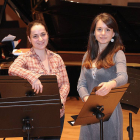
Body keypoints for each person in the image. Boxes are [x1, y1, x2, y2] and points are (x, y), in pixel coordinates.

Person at [8, 20, 70, 140]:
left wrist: (60, 100)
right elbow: (12, 69)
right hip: (34, 117)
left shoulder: (57, 58)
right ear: (29, 39)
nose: (40, 39)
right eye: (35, 36)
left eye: (43, 34)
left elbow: (65, 84)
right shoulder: (25, 58)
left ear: (47, 35)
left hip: (56, 114)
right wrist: (33, 77)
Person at [77, 13, 128, 140]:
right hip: (90, 109)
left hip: (110, 111)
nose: (103, 33)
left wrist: (111, 84)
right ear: (93, 32)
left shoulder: (118, 53)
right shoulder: (87, 55)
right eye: (99, 29)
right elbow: (81, 84)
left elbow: (123, 77)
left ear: (113, 34)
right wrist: (87, 99)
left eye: (107, 30)